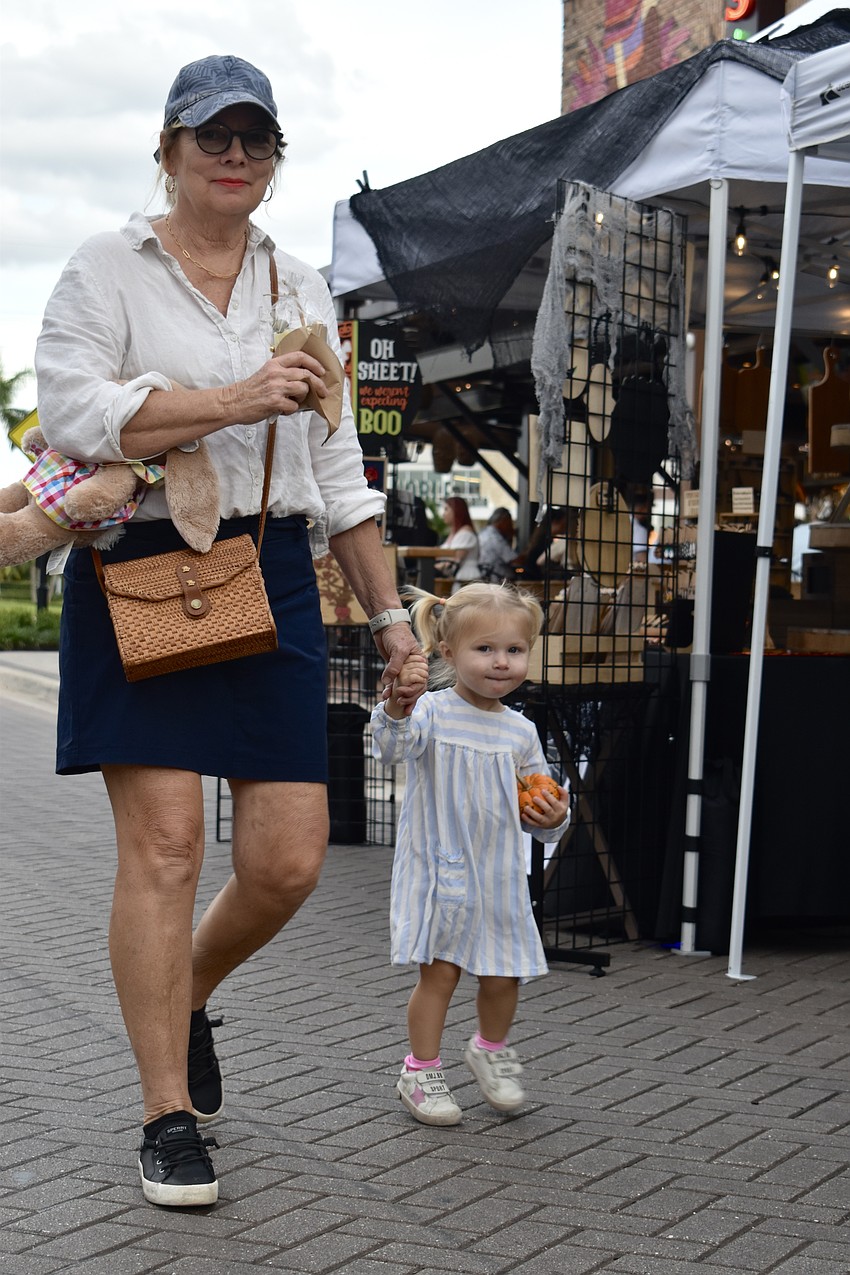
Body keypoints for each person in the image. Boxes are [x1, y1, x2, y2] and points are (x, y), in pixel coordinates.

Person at [33, 55, 421, 1209]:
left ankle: (184, 990)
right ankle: (166, 1113)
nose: (235, 156)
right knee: (161, 851)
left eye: (255, 139)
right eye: (213, 136)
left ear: (272, 157)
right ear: (169, 146)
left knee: (289, 859)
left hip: (272, 570)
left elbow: (340, 474)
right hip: (141, 562)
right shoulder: (107, 267)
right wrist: (235, 399)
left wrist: (396, 624)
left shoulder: (303, 291)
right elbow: (68, 410)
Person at [371, 583, 571, 1126]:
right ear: (447, 651)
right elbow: (389, 749)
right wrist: (396, 706)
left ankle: (490, 1047)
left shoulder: (521, 732)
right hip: (443, 871)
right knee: (440, 973)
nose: (501, 662)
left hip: (501, 878)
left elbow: (542, 802)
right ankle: (422, 1068)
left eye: (514, 650)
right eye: (484, 649)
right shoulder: (431, 711)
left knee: (504, 975)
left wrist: (555, 818)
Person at [437, 495, 479, 590]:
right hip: (460, 579)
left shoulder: (465, 533)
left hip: (466, 578)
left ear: (456, 511)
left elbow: (454, 560)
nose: (443, 514)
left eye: (446, 509)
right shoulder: (457, 533)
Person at [476, 507, 520, 582]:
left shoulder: (483, 533)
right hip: (497, 580)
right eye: (509, 522)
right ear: (503, 521)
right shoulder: (495, 537)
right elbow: (514, 560)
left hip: (487, 577)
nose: (510, 526)